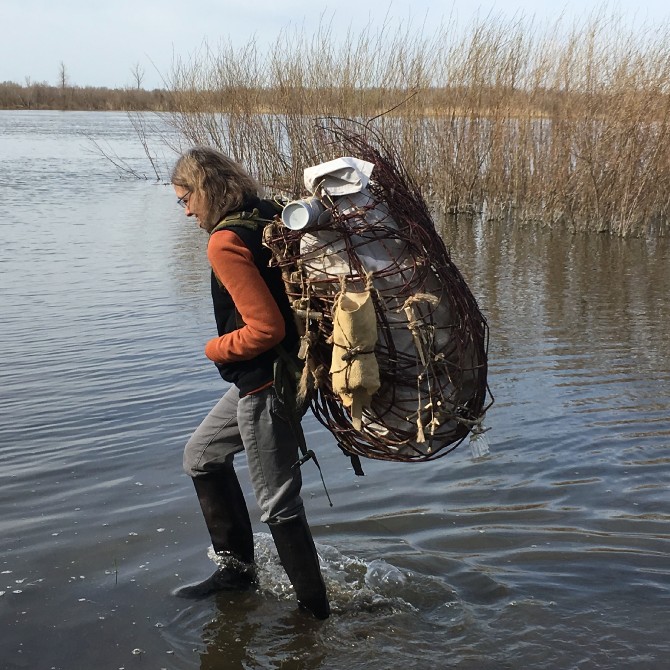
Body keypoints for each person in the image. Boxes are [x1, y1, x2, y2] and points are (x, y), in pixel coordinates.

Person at [171, 146, 330, 620]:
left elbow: (265, 330)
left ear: (205, 190)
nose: (186, 212)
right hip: (293, 371)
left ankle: (312, 613)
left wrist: (213, 348)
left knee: (278, 500)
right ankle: (237, 573)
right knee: (201, 456)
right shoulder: (268, 213)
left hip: (269, 383)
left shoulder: (224, 241)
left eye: (186, 199)